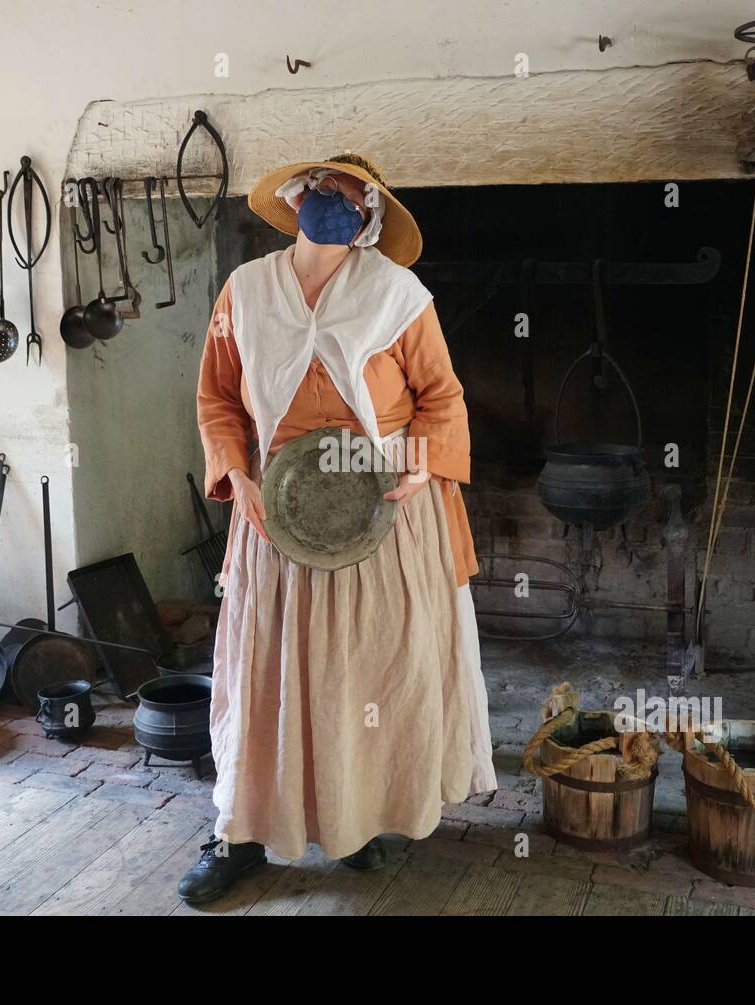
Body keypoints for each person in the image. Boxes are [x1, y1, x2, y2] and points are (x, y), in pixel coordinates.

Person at [183, 153, 496, 904]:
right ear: (297, 200)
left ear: (370, 220)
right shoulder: (245, 292)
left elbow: (442, 398)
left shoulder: (398, 295)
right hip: (280, 513)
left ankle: (355, 819)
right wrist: (237, 474)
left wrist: (420, 465)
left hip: (381, 511)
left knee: (368, 674)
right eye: (324, 188)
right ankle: (242, 832)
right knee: (268, 670)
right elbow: (218, 398)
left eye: (354, 196)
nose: (335, 201)